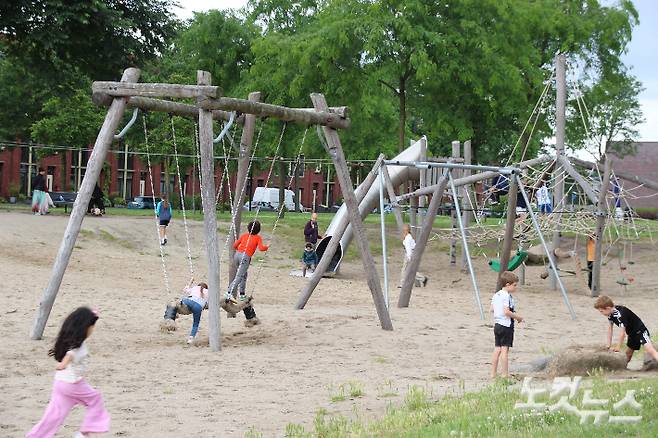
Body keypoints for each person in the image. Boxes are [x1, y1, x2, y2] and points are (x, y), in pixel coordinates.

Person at [26, 307, 110, 438]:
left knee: (53, 416)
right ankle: (84, 433)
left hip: (60, 383)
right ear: (85, 327)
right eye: (92, 326)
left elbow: (70, 352)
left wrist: (63, 365)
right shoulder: (78, 345)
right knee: (95, 398)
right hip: (74, 384)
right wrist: (63, 364)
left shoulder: (72, 341)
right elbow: (70, 355)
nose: (93, 329)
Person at [226, 220, 269, 326]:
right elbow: (262, 248)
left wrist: (241, 247)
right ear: (258, 230)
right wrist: (268, 246)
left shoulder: (245, 235)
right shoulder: (257, 238)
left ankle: (241, 293)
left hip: (237, 255)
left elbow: (235, 245)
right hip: (245, 257)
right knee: (240, 276)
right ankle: (229, 292)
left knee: (244, 275)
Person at [594, 295, 658, 365]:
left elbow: (622, 333)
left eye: (601, 311)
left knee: (650, 350)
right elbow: (610, 330)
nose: (601, 313)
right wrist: (608, 345)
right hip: (632, 334)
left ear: (608, 308)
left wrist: (618, 347)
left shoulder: (620, 314)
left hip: (641, 331)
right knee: (628, 354)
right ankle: (622, 369)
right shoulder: (610, 314)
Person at [491, 271, 524, 379]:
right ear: (507, 284)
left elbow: (492, 309)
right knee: (505, 350)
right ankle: (505, 374)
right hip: (506, 325)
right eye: (514, 285)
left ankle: (493, 374)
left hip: (497, 325)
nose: (515, 288)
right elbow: (506, 311)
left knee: (497, 349)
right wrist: (517, 317)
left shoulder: (496, 294)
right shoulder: (506, 296)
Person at [181, 279, 209, 345]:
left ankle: (173, 315)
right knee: (196, 323)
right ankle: (191, 338)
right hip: (198, 306)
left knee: (178, 304)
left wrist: (190, 282)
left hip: (189, 301)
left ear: (198, 285)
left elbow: (185, 290)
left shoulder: (194, 288)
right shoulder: (208, 291)